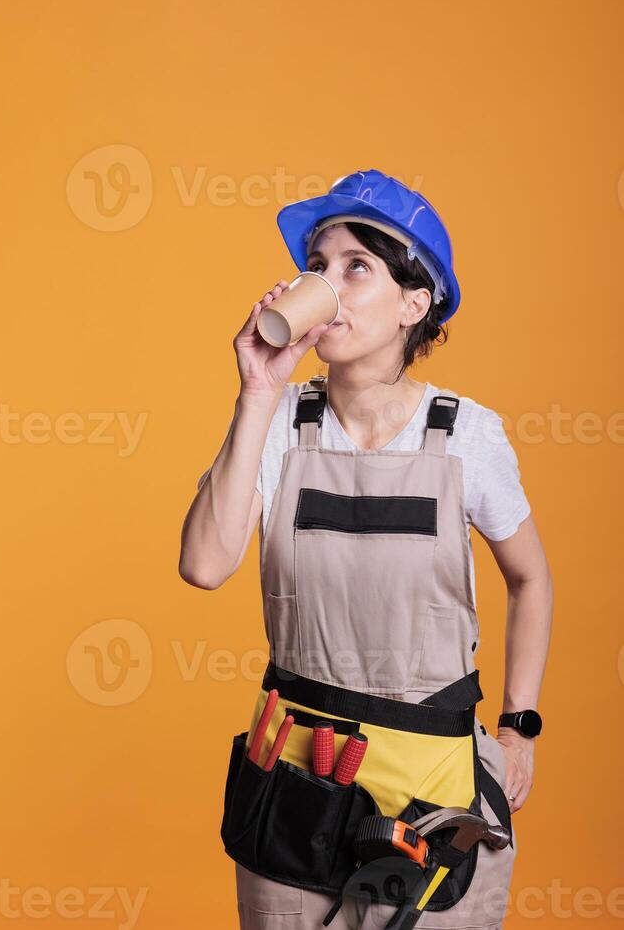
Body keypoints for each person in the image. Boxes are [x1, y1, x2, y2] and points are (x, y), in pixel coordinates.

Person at [179, 170, 554, 930]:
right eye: (317, 265)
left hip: (433, 791)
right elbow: (204, 565)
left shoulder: (468, 435)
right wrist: (256, 391)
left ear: (415, 304)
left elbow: (532, 579)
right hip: (292, 783)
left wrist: (519, 728)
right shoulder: (280, 419)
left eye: (357, 265)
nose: (328, 284)